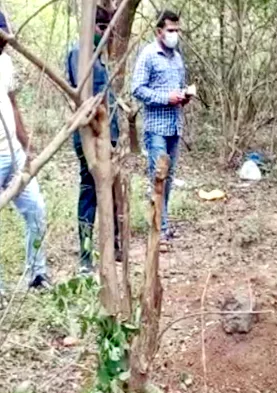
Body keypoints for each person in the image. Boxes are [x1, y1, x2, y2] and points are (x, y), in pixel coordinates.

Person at [66, 6, 121, 274]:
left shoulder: (100, 58)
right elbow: (87, 100)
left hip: (107, 137)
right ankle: (86, 257)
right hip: (90, 138)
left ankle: (113, 247)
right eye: (101, 29)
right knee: (90, 193)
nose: (105, 34)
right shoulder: (80, 54)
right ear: (92, 29)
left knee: (110, 191)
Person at [0, 11, 51, 294]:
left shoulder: (5, 62)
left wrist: (26, 143)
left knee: (35, 208)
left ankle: (37, 274)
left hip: (15, 153)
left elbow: (12, 103)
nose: (6, 43)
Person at [132, 10, 191, 246]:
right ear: (159, 31)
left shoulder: (177, 57)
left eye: (177, 30)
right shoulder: (148, 55)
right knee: (159, 177)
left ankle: (162, 223)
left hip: (175, 126)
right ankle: (160, 228)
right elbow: (137, 89)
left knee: (170, 177)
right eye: (170, 30)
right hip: (156, 127)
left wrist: (183, 97)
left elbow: (178, 87)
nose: (174, 34)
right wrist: (166, 98)